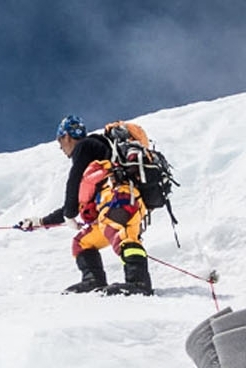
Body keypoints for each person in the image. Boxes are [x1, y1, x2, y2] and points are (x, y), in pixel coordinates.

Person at [16, 116, 153, 295]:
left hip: (120, 197)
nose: (60, 147)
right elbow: (78, 202)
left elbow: (73, 183)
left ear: (66, 136)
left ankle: (139, 283)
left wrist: (69, 213)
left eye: (60, 141)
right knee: (82, 242)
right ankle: (93, 281)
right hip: (116, 203)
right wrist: (40, 222)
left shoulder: (85, 146)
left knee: (122, 234)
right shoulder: (97, 154)